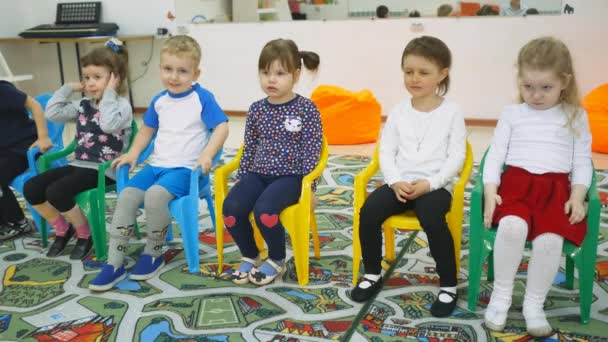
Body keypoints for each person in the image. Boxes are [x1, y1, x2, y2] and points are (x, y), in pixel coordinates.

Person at [88, 35, 228, 291]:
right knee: (128, 194)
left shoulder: (202, 98)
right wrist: (132, 154)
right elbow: (146, 131)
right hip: (156, 167)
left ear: (196, 73)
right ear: (160, 68)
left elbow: (221, 126)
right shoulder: (160, 101)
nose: (174, 77)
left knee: (154, 196)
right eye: (167, 69)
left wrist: (207, 154)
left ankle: (153, 253)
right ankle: (115, 262)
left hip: (185, 170)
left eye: (182, 71)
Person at [482, 37, 592, 337]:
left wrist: (578, 196)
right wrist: (491, 191)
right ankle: (501, 296)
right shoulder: (512, 113)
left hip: (555, 190)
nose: (536, 95)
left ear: (564, 82)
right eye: (528, 86)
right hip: (516, 185)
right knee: (512, 228)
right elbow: (495, 155)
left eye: (546, 87)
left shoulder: (575, 116)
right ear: (520, 80)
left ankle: (534, 304)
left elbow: (583, 162)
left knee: (550, 242)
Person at [350, 36, 466, 318]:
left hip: (434, 185)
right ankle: (373, 272)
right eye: (408, 71)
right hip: (400, 182)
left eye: (423, 72)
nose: (414, 78)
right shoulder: (400, 111)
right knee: (369, 212)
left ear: (443, 74)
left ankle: (449, 285)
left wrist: (431, 183)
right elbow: (386, 153)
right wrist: (394, 181)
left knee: (431, 217)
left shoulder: (452, 112)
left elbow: (456, 158)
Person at [223, 38, 322, 286]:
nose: (271, 79)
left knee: (264, 211)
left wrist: (310, 187)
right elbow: (250, 145)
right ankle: (251, 254)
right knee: (231, 208)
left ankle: (277, 257)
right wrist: (244, 177)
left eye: (279, 73)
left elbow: (313, 151)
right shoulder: (256, 109)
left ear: (296, 75)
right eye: (265, 72)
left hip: (291, 177)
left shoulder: (306, 109)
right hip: (258, 173)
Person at [23, 39, 132, 260]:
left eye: (97, 77)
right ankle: (64, 228)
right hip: (79, 164)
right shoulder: (83, 104)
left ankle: (85, 234)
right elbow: (52, 113)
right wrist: (67, 89)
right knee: (32, 188)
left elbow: (108, 125)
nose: (90, 83)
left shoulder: (121, 106)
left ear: (114, 78)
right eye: (87, 77)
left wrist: (109, 94)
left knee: (57, 191)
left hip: (105, 170)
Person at [0, 82, 53, 241]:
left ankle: (18, 222)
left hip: (22, 148)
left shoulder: (2, 89)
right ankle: (12, 222)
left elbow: (34, 105)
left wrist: (43, 136)